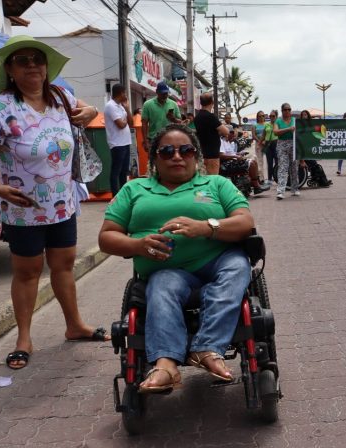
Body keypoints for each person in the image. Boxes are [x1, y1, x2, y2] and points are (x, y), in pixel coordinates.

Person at [0, 35, 107, 370]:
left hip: (63, 203)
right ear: (10, 70)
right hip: (22, 207)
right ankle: (24, 338)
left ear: (46, 68)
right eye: (22, 60)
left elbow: (89, 112)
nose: (32, 65)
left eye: (37, 59)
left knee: (63, 266)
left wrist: (90, 111)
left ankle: (74, 325)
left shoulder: (62, 97)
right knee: (28, 272)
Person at [99, 124, 254, 392]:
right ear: (155, 157)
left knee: (239, 266)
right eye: (167, 151)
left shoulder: (216, 184)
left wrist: (206, 227)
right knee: (161, 284)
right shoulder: (135, 189)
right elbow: (106, 237)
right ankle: (166, 364)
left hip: (217, 261)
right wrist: (137, 245)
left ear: (196, 155)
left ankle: (206, 348)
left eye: (186, 150)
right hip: (166, 269)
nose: (177, 156)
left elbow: (245, 223)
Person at [104, 83, 134, 196]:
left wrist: (127, 108)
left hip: (125, 142)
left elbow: (131, 123)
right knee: (116, 171)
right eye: (125, 93)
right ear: (120, 93)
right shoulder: (110, 106)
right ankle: (115, 195)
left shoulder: (121, 106)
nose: (126, 95)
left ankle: (123, 194)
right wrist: (124, 120)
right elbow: (121, 125)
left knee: (124, 171)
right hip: (117, 143)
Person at [219, 129, 270, 195]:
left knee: (253, 161)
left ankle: (256, 182)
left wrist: (238, 154)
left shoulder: (227, 142)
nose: (234, 137)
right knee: (251, 163)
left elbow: (231, 153)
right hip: (226, 164)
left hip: (231, 161)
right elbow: (221, 155)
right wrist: (236, 156)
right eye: (232, 135)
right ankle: (256, 186)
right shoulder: (221, 141)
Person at [193, 92, 226, 175]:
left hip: (202, 153)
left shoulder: (197, 117)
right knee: (212, 179)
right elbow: (226, 131)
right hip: (212, 155)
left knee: (203, 179)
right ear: (212, 102)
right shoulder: (211, 117)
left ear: (201, 103)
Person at [141, 82, 181, 150]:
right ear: (157, 92)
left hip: (170, 139)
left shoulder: (173, 104)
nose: (165, 95)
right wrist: (145, 141)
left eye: (166, 93)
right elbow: (144, 123)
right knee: (153, 160)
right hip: (153, 140)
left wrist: (173, 119)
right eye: (162, 93)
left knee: (169, 160)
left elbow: (180, 122)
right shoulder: (148, 104)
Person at [273, 103, 299, 200]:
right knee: (283, 168)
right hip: (282, 144)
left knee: (294, 167)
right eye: (285, 109)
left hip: (293, 144)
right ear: (282, 111)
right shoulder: (278, 121)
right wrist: (288, 129)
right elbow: (275, 132)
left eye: (289, 109)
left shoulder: (294, 120)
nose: (287, 111)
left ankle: (295, 188)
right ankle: (280, 191)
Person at [251, 111, 268, 182]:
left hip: (266, 144)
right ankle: (261, 178)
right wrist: (260, 141)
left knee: (268, 161)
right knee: (259, 161)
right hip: (258, 145)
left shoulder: (267, 125)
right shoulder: (254, 125)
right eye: (259, 116)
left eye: (262, 116)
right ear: (257, 117)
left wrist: (265, 141)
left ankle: (269, 178)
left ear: (264, 117)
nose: (261, 117)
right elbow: (254, 135)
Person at [263, 110, 278, 183]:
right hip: (268, 144)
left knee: (278, 161)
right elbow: (264, 134)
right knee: (269, 162)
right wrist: (260, 142)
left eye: (273, 116)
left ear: (276, 116)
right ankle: (269, 179)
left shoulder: (278, 124)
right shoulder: (266, 124)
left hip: (276, 143)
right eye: (270, 116)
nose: (271, 117)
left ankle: (278, 177)